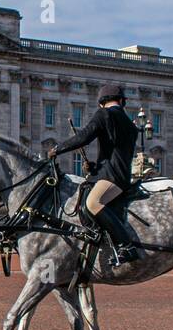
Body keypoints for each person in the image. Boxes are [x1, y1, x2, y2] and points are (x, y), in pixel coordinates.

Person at [48, 84, 142, 266]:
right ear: (122, 101)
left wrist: (58, 149)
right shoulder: (130, 124)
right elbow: (114, 153)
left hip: (112, 177)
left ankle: (126, 246)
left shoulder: (104, 114)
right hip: (116, 174)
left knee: (93, 203)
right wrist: (93, 169)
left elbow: (83, 137)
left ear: (101, 103)